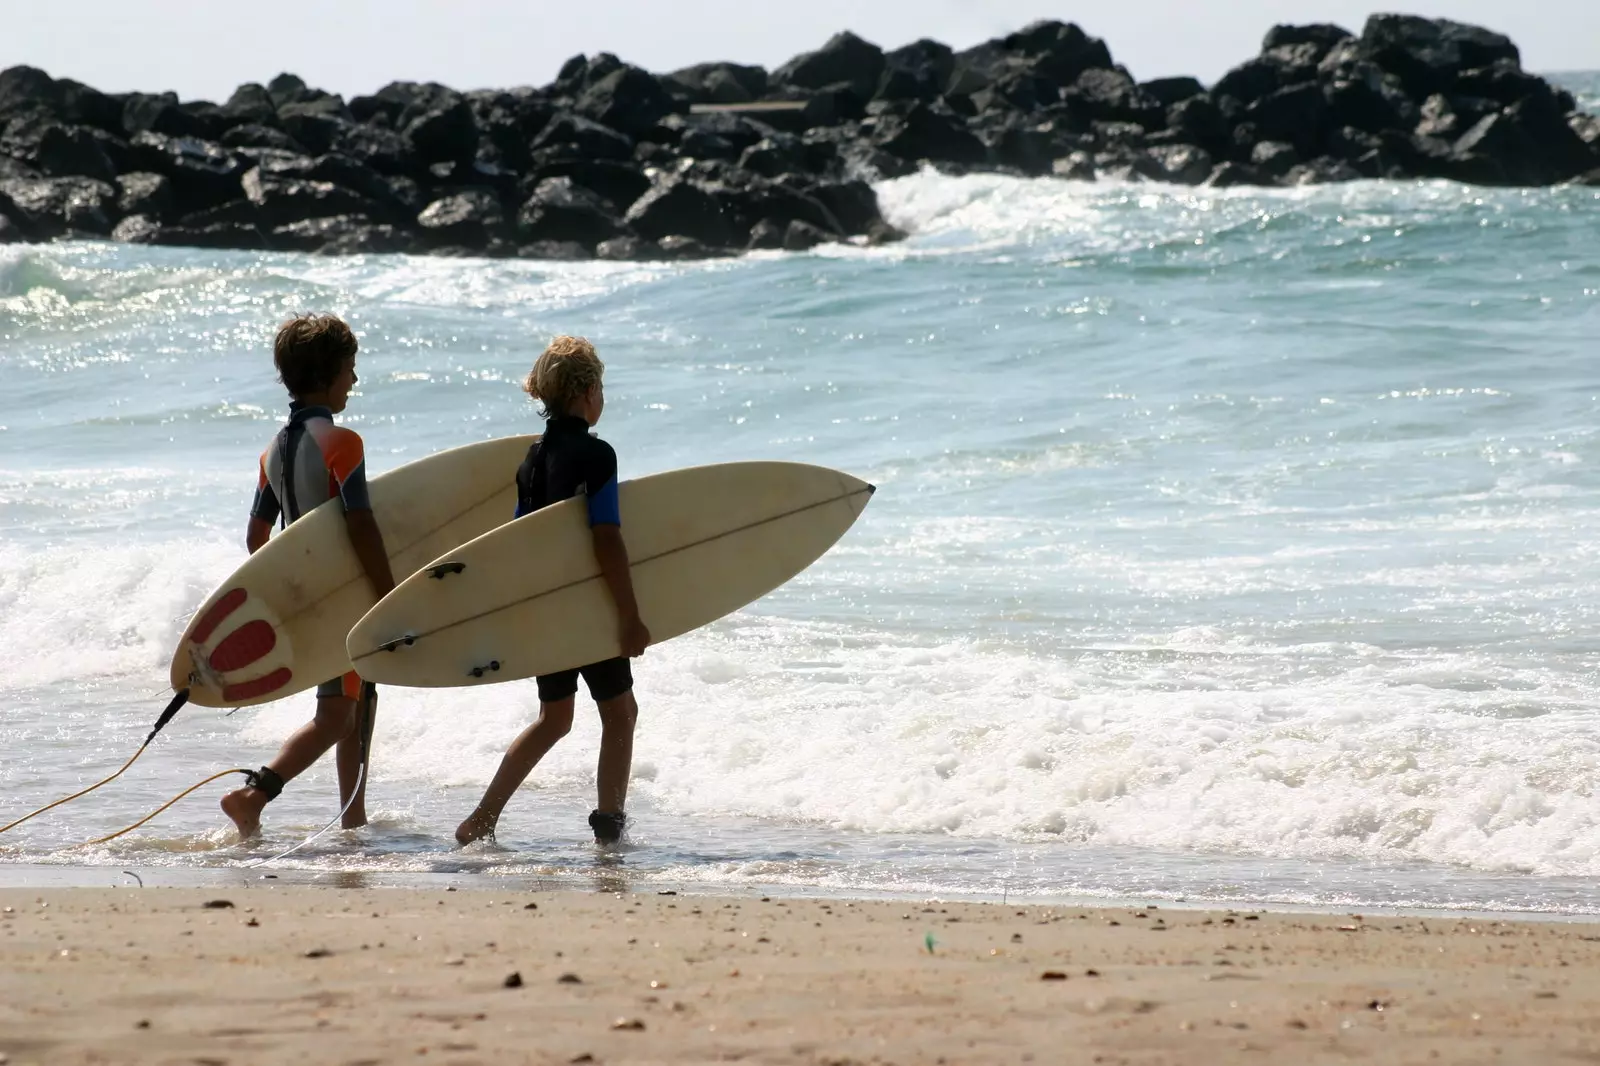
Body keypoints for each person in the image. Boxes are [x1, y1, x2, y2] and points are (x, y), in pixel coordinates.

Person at [456, 335, 650, 847]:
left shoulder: (531, 458)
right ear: (586, 392)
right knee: (620, 713)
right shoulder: (597, 454)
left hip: (546, 604)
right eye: (601, 387)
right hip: (586, 610)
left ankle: (482, 818)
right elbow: (606, 536)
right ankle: (610, 826)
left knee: (554, 718)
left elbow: (523, 536)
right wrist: (629, 615)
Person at [220, 313, 396, 840]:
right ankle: (254, 794)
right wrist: (389, 590)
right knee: (338, 713)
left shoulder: (272, 452)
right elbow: (360, 522)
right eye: (350, 369)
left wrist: (291, 589)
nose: (355, 380)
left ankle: (353, 816)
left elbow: (256, 537)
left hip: (312, 597)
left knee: (359, 699)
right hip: (347, 597)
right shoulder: (343, 443)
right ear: (328, 374)